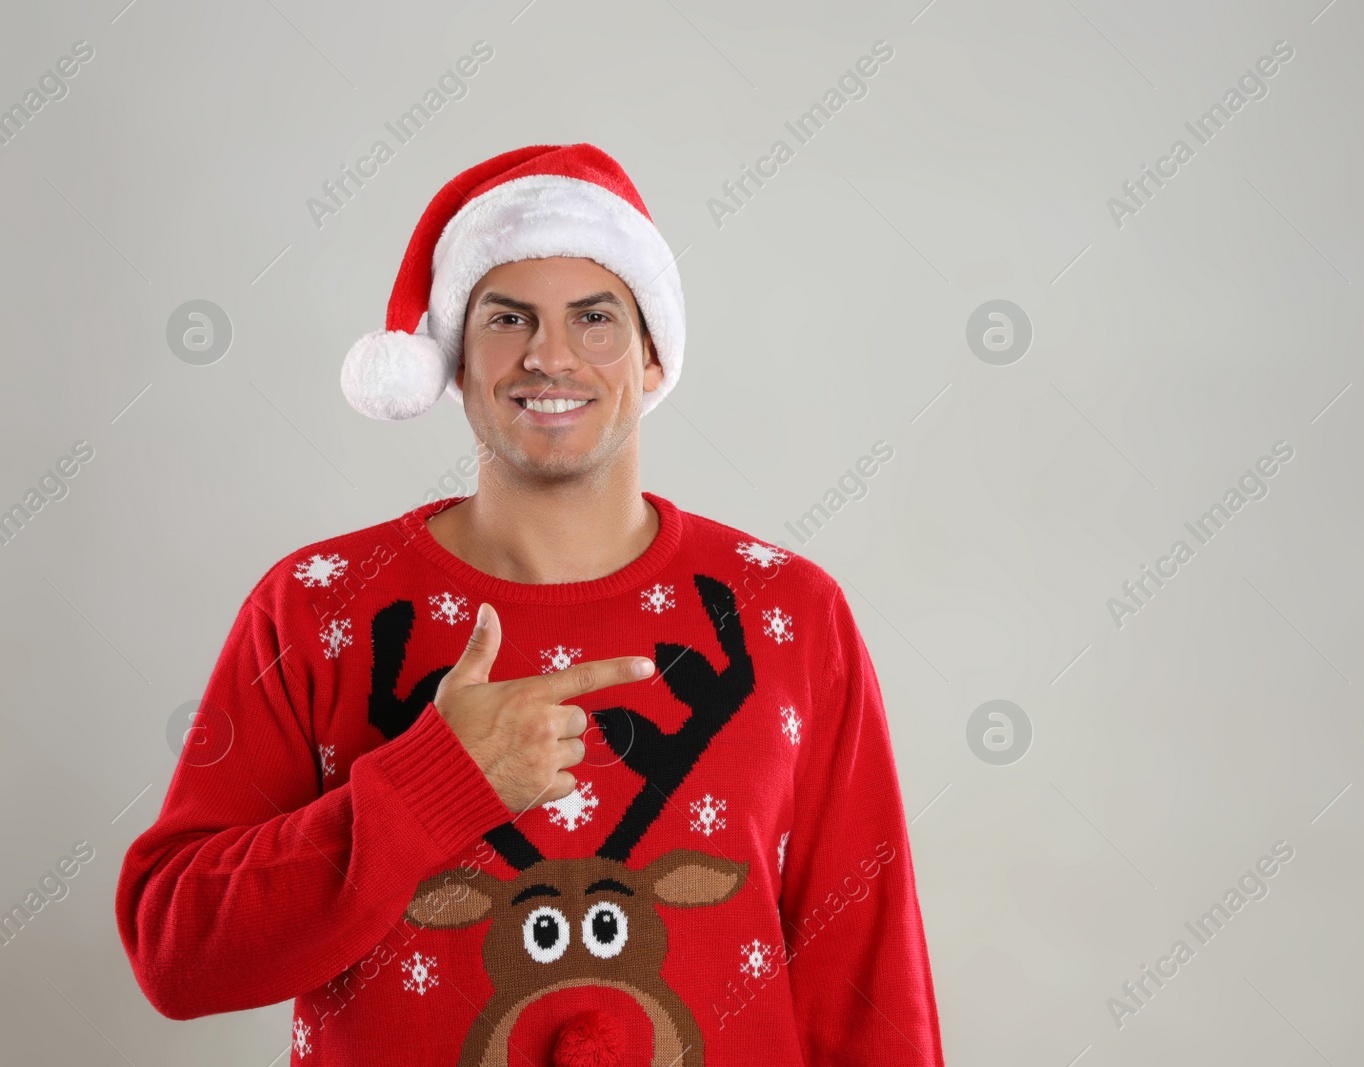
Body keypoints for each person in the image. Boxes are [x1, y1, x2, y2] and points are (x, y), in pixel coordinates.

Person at [116, 144, 944, 1067]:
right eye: (508, 318)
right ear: (454, 359)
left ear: (654, 356)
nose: (550, 355)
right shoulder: (316, 608)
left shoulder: (784, 609)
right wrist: (430, 787)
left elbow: (866, 979)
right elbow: (177, 955)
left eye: (595, 319)